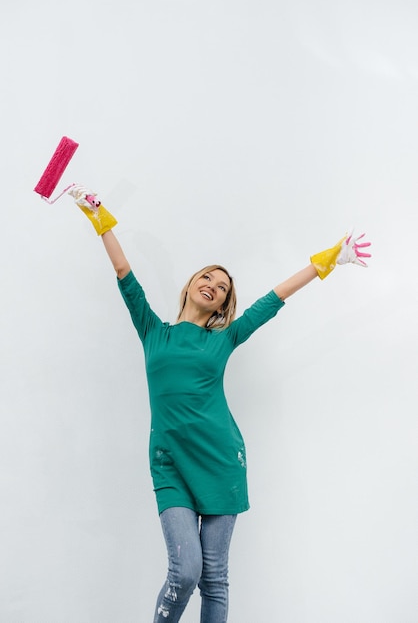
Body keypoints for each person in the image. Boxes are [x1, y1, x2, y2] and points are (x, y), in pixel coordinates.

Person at [67, 184, 371, 622]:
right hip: (169, 462)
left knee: (214, 578)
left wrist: (327, 260)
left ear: (224, 305)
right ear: (191, 285)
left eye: (223, 287)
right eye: (207, 277)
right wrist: (98, 216)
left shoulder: (224, 338)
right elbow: (123, 271)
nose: (213, 285)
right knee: (184, 571)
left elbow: (274, 298)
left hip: (220, 460)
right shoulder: (154, 331)